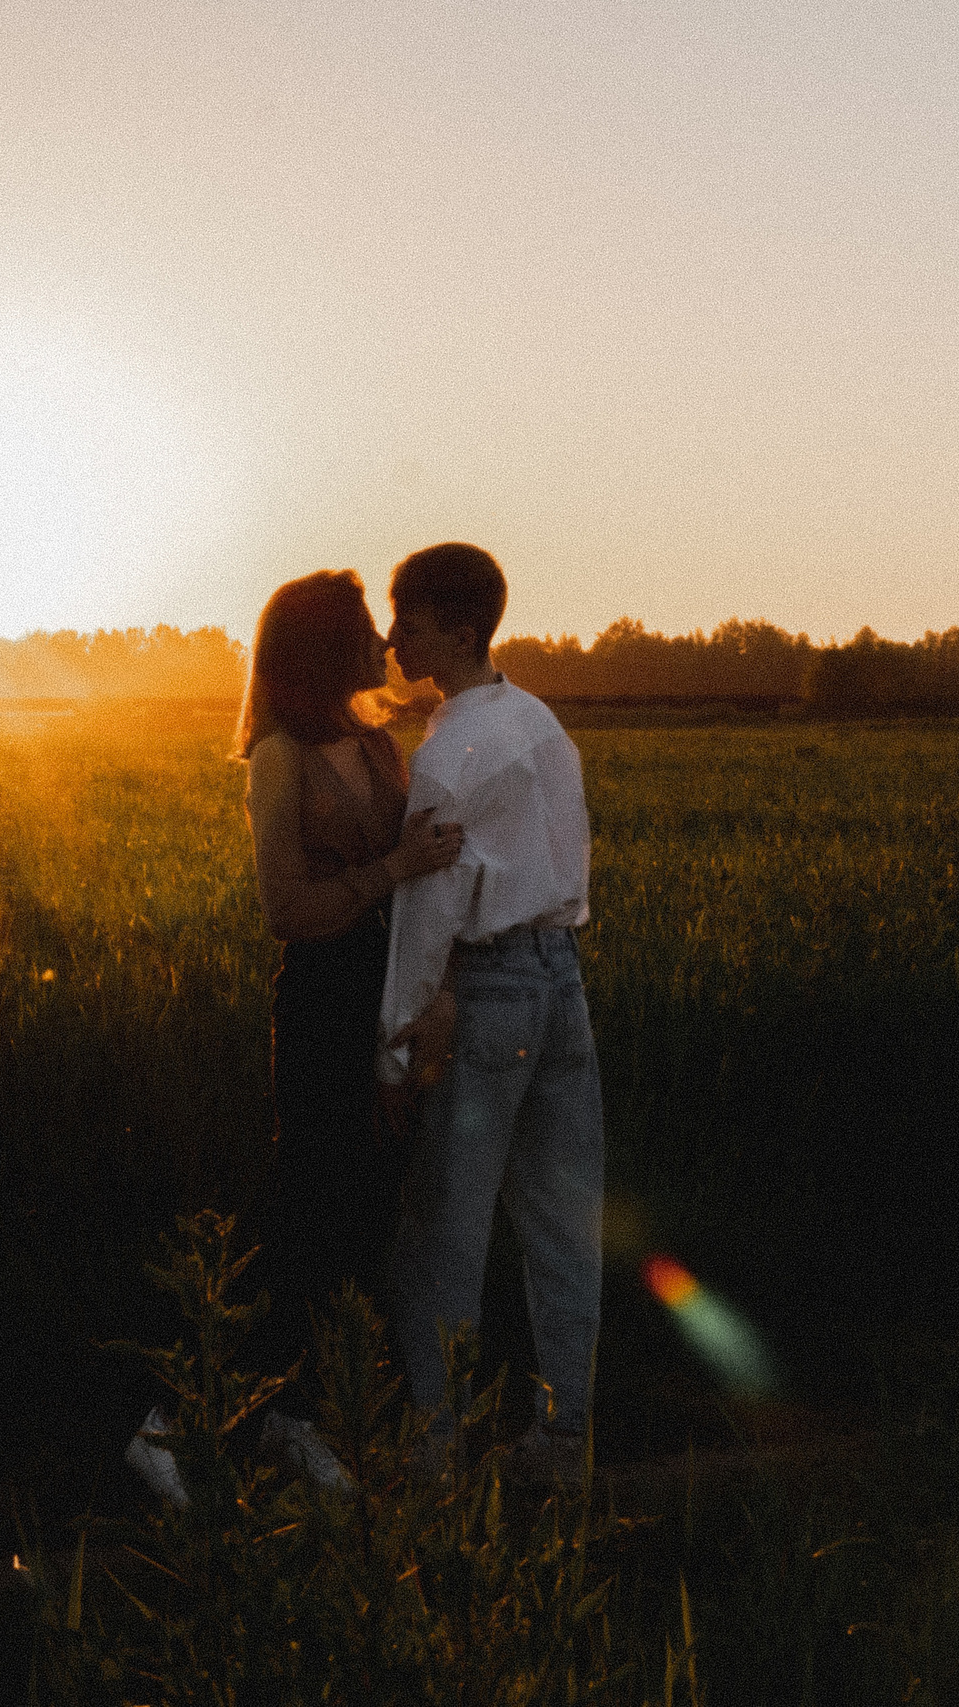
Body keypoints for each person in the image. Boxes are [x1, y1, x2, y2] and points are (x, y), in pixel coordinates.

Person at [126, 569, 463, 1505]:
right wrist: (394, 869)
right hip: (321, 1001)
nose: (381, 642)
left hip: (390, 993)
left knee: (362, 1217)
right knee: (302, 1217)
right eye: (361, 627)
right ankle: (167, 1424)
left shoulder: (380, 744)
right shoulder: (278, 758)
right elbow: (286, 909)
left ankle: (295, 1417)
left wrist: (436, 990)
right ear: (320, 647)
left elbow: (428, 882)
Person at [377, 542, 602, 1488]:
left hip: (492, 989)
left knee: (448, 1230)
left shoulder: (447, 756)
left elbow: (428, 915)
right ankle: (563, 1439)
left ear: (460, 632)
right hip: (562, 983)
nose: (393, 638)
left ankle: (435, 1454)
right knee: (562, 1227)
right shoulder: (541, 724)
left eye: (410, 620)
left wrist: (395, 1049)